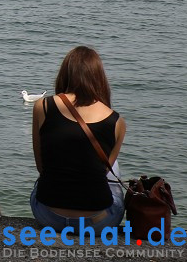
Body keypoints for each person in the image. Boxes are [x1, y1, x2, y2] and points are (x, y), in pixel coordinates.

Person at [31, 46, 125, 231]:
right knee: (113, 168)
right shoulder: (117, 121)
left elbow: (41, 167)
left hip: (49, 216)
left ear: (64, 73)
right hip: (98, 223)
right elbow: (103, 172)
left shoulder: (43, 106)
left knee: (47, 175)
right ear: (99, 78)